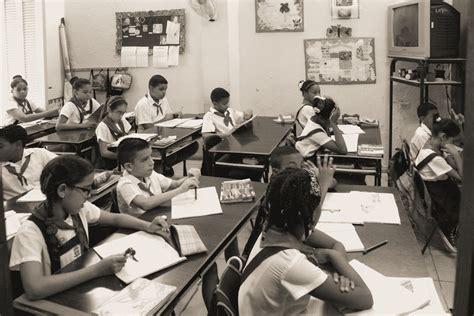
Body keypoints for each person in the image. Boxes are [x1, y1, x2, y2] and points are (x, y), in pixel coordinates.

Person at [9, 155, 170, 300]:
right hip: (52, 302)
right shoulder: (30, 232)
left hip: (81, 289)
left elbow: (115, 218)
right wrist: (97, 270)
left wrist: (147, 226)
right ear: (63, 190)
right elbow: (35, 288)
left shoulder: (79, 209)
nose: (89, 195)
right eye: (85, 190)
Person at [238, 168, 373, 315]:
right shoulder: (290, 263)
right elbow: (365, 298)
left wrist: (339, 274)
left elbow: (336, 244)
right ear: (310, 214)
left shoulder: (275, 227)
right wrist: (333, 257)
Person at [116, 138, 200, 217]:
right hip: (139, 227)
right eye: (145, 159)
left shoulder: (150, 174)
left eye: (151, 156)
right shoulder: (125, 184)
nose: (152, 162)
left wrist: (189, 177)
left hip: (157, 217)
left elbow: (175, 184)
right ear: (129, 167)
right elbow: (145, 204)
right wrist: (181, 190)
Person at [414, 118, 463, 253]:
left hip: (438, 189)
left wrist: (448, 157)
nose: (453, 145)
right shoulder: (435, 158)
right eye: (452, 142)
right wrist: (455, 155)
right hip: (442, 199)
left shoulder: (429, 145)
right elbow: (462, 177)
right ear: (443, 137)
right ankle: (449, 229)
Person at [0, 124, 57, 199]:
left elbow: (67, 167)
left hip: (44, 201)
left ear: (18, 145)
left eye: (0, 146)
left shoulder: (39, 154)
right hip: (15, 207)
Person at [95, 96, 132, 169]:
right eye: (119, 112)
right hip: (111, 162)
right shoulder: (103, 126)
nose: (121, 116)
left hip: (122, 158)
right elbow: (104, 152)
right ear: (109, 110)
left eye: (123, 113)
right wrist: (123, 157)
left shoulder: (122, 121)